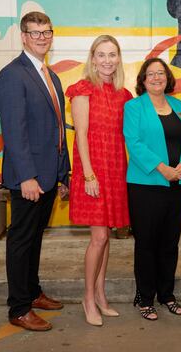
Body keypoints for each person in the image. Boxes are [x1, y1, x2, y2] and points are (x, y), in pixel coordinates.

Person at [0, 11, 70, 331]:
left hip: (48, 174)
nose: (42, 37)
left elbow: (57, 130)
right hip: (28, 177)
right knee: (21, 240)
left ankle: (33, 291)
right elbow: (14, 131)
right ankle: (19, 308)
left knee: (36, 238)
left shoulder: (50, 76)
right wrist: (26, 176)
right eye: (35, 32)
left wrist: (62, 174)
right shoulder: (13, 74)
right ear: (23, 37)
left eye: (46, 32)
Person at [65, 35, 132, 326]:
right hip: (92, 170)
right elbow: (80, 136)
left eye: (112, 55)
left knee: (107, 239)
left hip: (116, 168)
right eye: (101, 55)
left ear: (118, 58)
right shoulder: (83, 90)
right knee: (99, 237)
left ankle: (102, 296)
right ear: (92, 59)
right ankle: (88, 298)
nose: (107, 60)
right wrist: (88, 175)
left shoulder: (124, 94)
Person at [123, 58, 181, 320]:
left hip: (177, 184)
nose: (156, 78)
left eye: (161, 73)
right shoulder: (134, 107)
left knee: (170, 243)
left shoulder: (178, 105)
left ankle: (167, 295)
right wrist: (163, 168)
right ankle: (145, 297)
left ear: (168, 78)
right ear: (143, 80)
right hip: (146, 186)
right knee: (146, 244)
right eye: (150, 74)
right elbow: (135, 142)